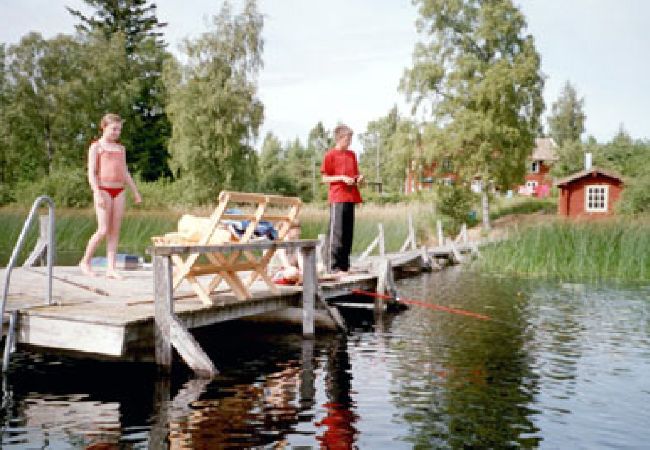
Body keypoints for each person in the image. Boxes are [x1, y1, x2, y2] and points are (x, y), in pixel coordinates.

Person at [79, 113, 142, 279]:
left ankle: (111, 268)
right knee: (103, 229)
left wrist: (135, 191)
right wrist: (96, 192)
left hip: (119, 190)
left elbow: (125, 171)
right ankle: (85, 262)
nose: (116, 132)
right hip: (103, 190)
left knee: (115, 231)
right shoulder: (97, 147)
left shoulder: (121, 149)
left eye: (119, 129)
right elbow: (91, 173)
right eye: (114, 129)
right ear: (104, 127)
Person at [321, 124, 363, 276]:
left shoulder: (352, 155)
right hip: (337, 196)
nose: (350, 141)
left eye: (351, 138)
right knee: (336, 232)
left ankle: (345, 266)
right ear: (339, 138)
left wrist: (359, 179)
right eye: (348, 138)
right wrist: (341, 178)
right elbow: (324, 178)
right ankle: (333, 267)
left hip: (350, 197)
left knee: (347, 232)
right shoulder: (330, 155)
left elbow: (355, 175)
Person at [272, 220, 303, 285]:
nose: (299, 232)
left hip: (294, 272)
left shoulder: (296, 244)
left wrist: (304, 270)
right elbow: (286, 265)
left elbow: (301, 263)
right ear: (287, 231)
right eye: (296, 229)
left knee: (316, 268)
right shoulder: (281, 244)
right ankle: (301, 279)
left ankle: (301, 279)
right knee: (293, 271)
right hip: (279, 274)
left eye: (299, 229)